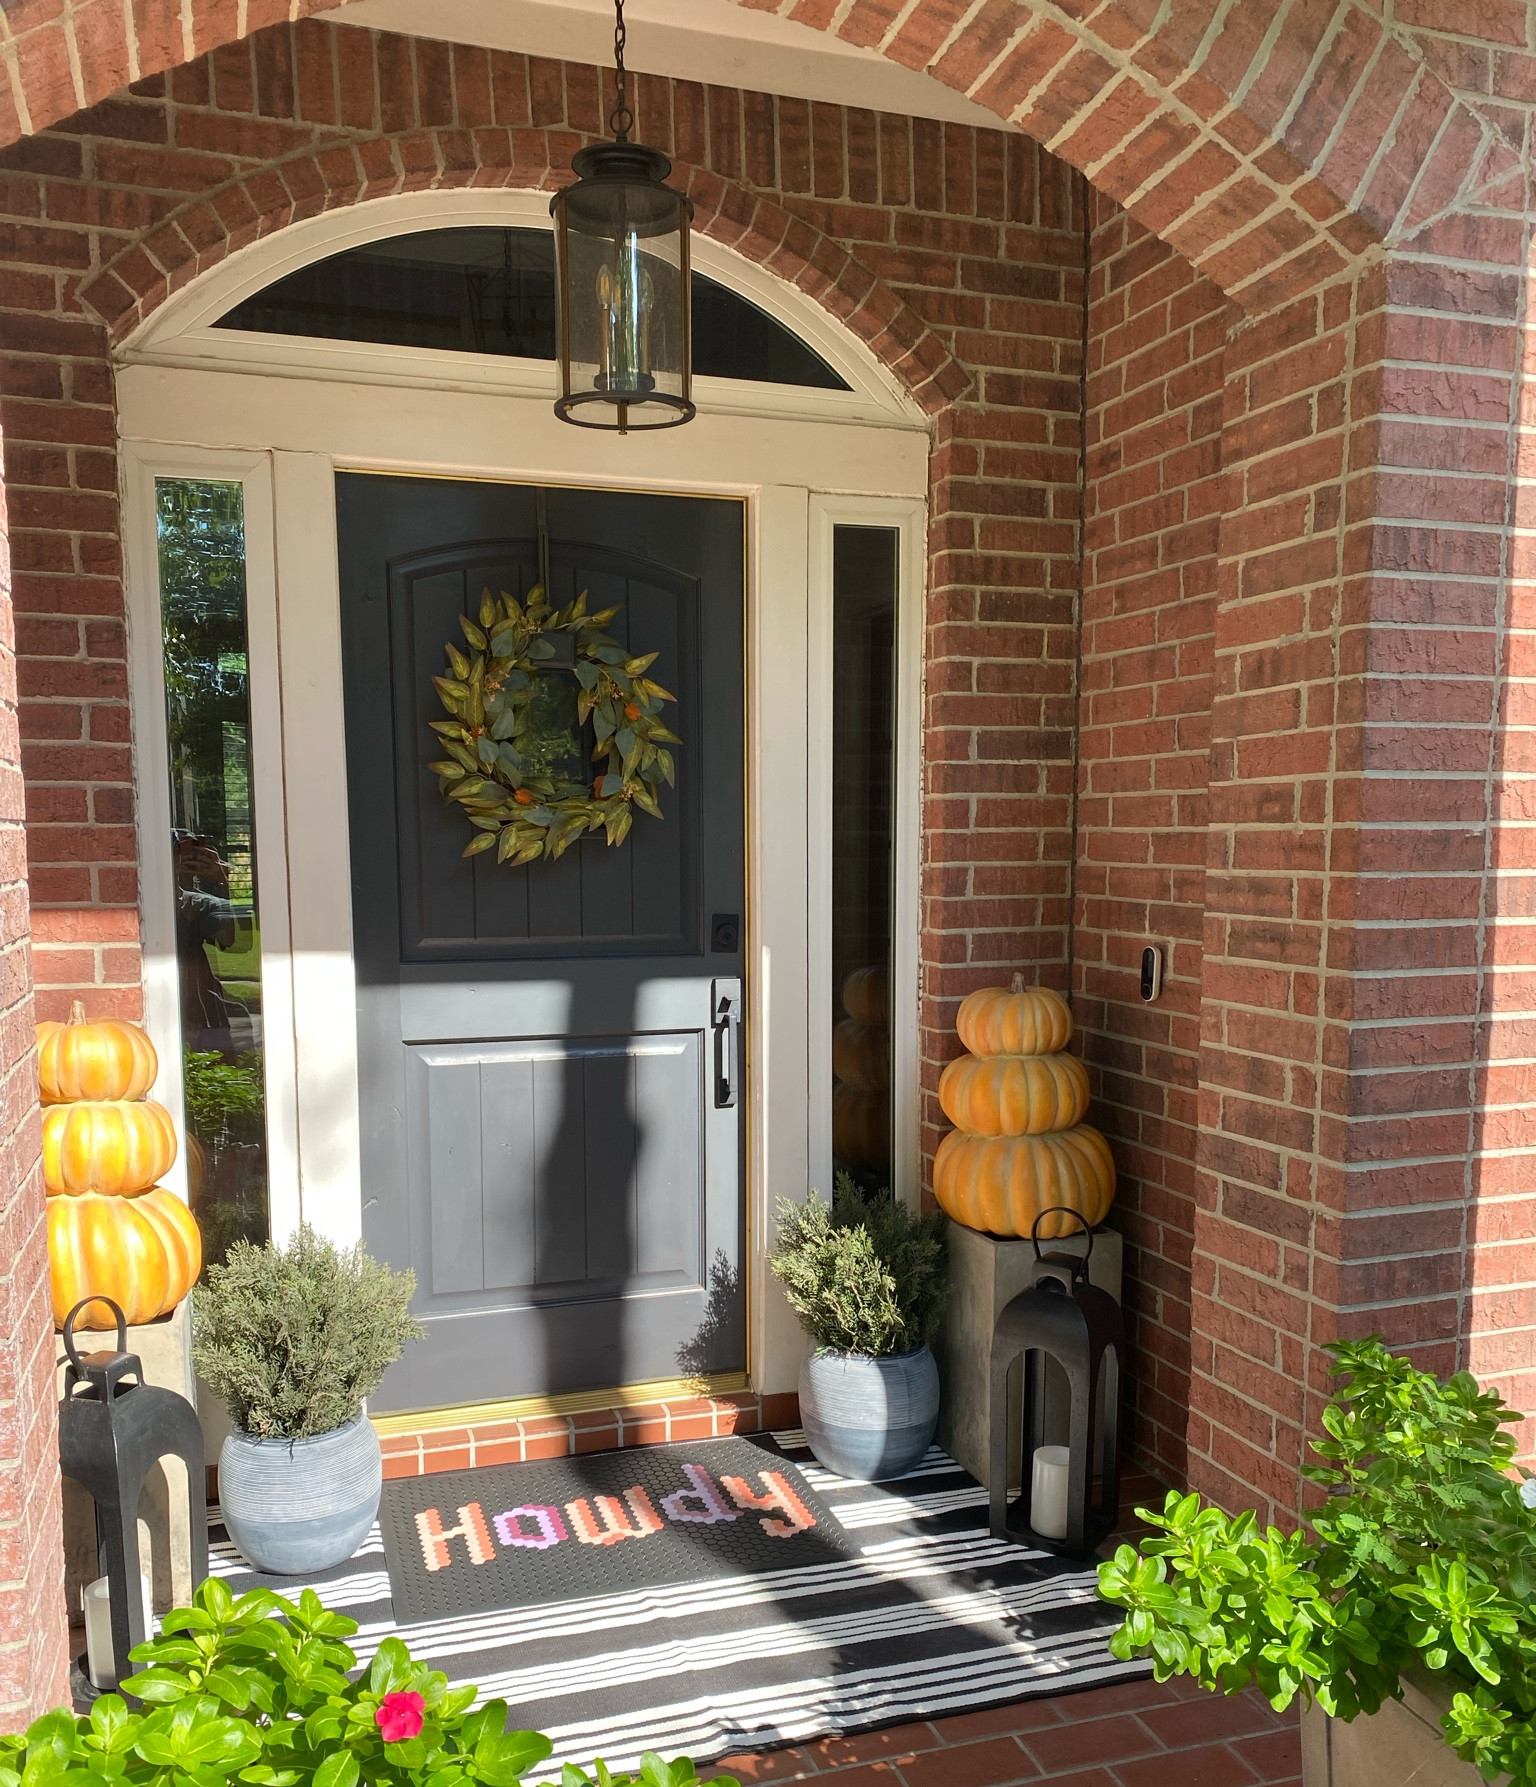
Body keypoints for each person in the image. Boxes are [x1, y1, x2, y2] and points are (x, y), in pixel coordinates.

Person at [173, 831, 242, 1054]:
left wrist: (220, 881)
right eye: (179, 854)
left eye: (194, 855)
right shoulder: (148, 905)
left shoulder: (203, 904)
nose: (187, 861)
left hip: (203, 1003)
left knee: (219, 1064)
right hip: (169, 1001)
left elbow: (232, 941)